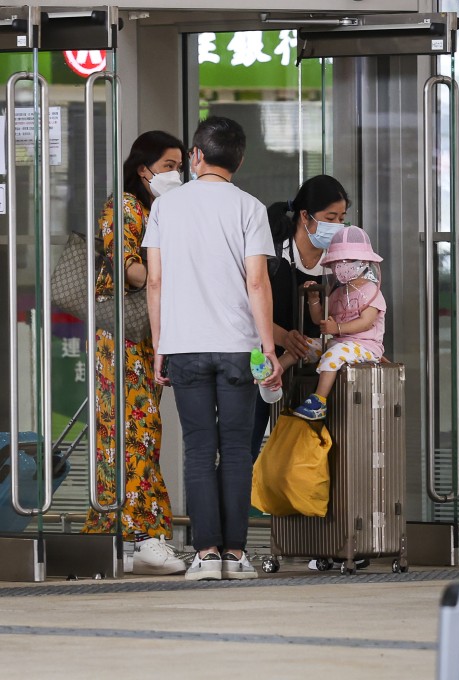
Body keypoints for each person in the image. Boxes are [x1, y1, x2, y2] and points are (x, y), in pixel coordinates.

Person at [143, 116, 282, 582]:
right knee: (238, 449)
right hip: (239, 347)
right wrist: (269, 349)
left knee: (199, 450)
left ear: (197, 156)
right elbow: (257, 281)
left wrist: (160, 346)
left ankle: (204, 555)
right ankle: (237, 556)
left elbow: (155, 282)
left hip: (184, 347)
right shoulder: (250, 207)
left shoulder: (165, 207)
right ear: (238, 160)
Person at [82, 130, 188, 576]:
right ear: (143, 170)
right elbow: (132, 270)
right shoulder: (125, 206)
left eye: (180, 166)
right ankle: (145, 535)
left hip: (139, 338)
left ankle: (108, 534)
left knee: (124, 434)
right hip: (122, 337)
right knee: (137, 429)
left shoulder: (155, 208)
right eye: (168, 166)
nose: (176, 174)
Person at [250, 175, 351, 459]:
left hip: (314, 367)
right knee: (246, 442)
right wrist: (283, 337)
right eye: (330, 217)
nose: (337, 225)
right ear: (304, 216)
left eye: (342, 217)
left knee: (305, 457)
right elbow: (245, 309)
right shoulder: (270, 252)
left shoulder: (341, 260)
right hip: (263, 359)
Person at [289, 225, 386, 421]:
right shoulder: (338, 292)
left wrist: (338, 329)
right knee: (303, 345)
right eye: (338, 262)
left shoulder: (371, 291)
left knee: (335, 354)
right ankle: (272, 373)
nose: (342, 266)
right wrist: (314, 298)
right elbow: (320, 319)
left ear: (364, 262)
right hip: (338, 343)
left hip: (366, 346)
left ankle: (319, 401)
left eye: (348, 261)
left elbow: (366, 323)